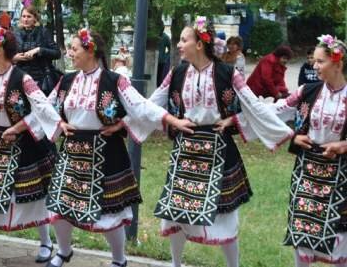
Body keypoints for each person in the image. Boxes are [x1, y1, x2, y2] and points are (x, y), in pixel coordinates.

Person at [148, 16, 294, 267]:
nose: (179, 45)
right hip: (186, 150)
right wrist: (172, 120)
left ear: (199, 44)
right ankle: (175, 264)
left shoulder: (228, 73)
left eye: (184, 40)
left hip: (219, 151)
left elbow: (253, 106)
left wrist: (234, 120)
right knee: (176, 212)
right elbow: (153, 103)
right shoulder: (178, 72)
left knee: (225, 215)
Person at [45, 29, 194, 267]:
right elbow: (46, 105)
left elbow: (141, 107)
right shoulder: (67, 80)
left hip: (106, 154)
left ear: (90, 50)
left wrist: (172, 121)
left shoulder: (115, 81)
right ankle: (63, 251)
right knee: (61, 206)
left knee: (110, 213)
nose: (69, 53)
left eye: (74, 48)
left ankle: (119, 259)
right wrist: (60, 123)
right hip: (72, 152)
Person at [0, 27, 61, 264]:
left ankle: (46, 243)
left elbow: (43, 107)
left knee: (33, 195)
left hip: (24, 147)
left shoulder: (23, 79)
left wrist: (17, 128)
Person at [270, 35, 347, 267]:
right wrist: (292, 135)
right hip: (307, 173)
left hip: (340, 176)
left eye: (320, 61)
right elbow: (274, 112)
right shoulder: (307, 91)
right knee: (302, 229)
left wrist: (343, 145)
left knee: (341, 235)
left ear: (338, 63)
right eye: (314, 61)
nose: (314, 66)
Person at [13, 5, 61, 94]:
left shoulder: (43, 32)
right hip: (21, 77)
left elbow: (57, 53)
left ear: (35, 18)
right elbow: (8, 55)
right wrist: (15, 58)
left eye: (29, 16)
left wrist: (39, 50)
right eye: (23, 16)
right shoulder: (16, 34)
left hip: (41, 79)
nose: (26, 19)